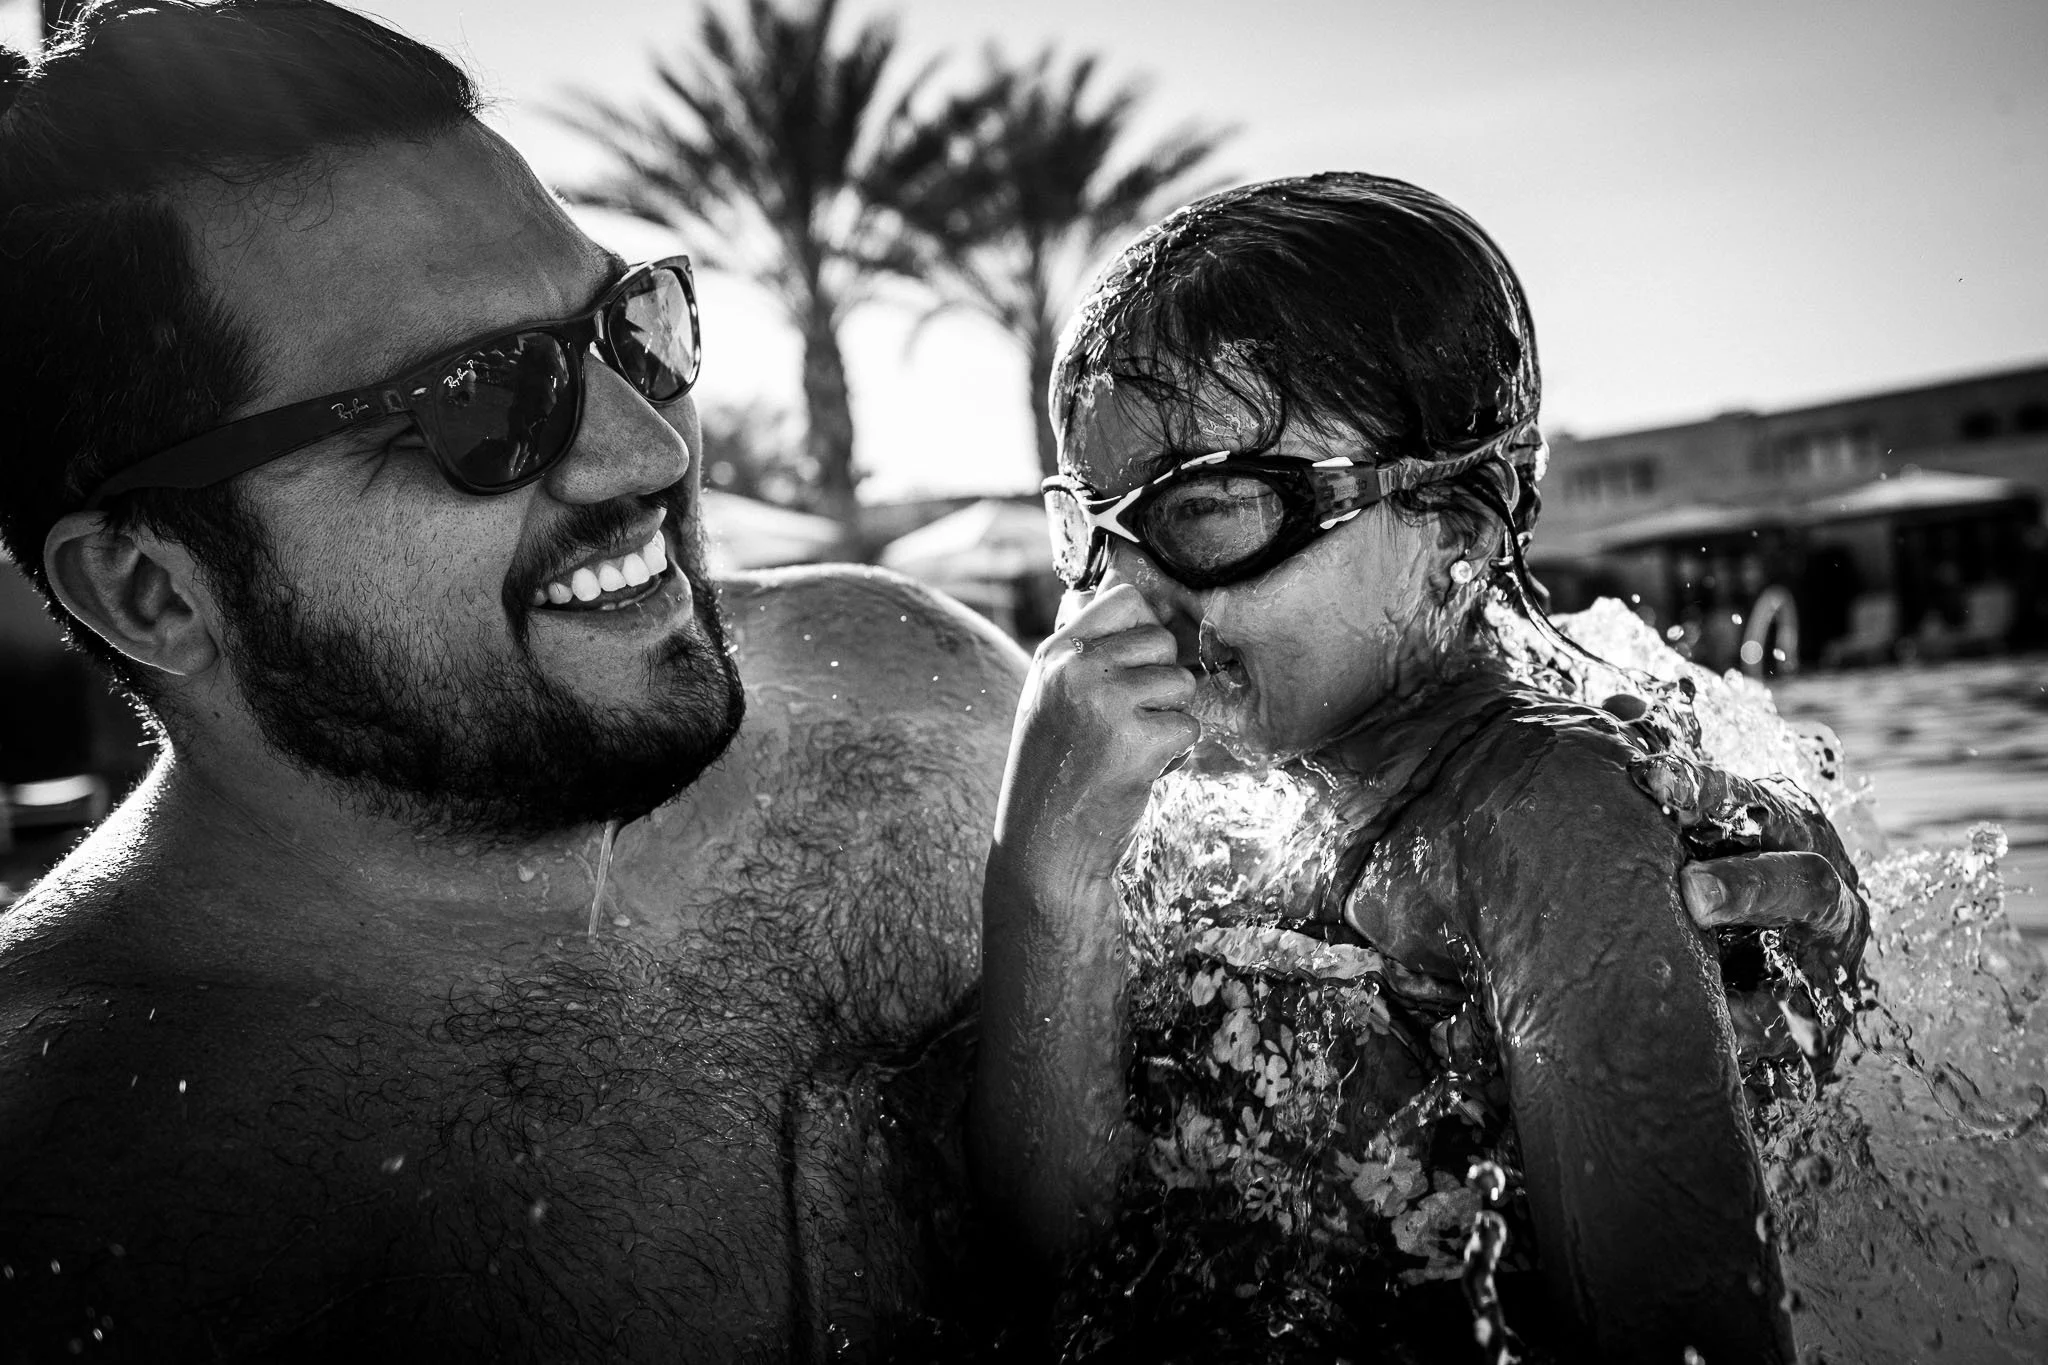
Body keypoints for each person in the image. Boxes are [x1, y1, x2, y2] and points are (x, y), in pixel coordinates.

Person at [0, 7, 1857, 1360]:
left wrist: (1717, 971)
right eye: (481, 408)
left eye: (621, 328)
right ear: (147, 586)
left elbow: (1344, 920)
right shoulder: (105, 1209)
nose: (649, 449)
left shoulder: (886, 684)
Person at [976, 174, 1866, 1362]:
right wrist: (1041, 873)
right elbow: (1069, 1266)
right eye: (1091, 526)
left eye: (1210, 513)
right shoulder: (1219, 782)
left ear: (1453, 528)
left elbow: (1684, 1331)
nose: (1126, 596)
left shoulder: (1542, 819)